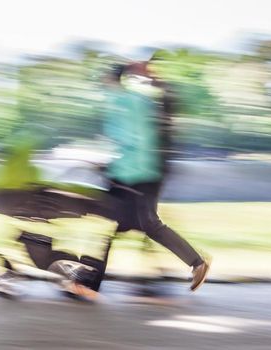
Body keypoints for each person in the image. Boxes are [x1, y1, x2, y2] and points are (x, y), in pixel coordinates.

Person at [94, 63, 211, 292]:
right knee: (125, 225)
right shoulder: (134, 102)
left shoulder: (126, 103)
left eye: (105, 78)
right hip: (140, 173)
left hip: (136, 175)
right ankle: (92, 281)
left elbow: (132, 141)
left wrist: (112, 168)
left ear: (113, 79)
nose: (103, 83)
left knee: (144, 224)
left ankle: (90, 282)